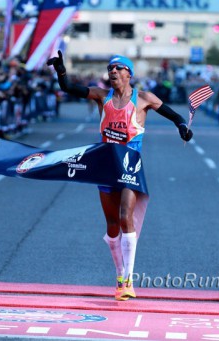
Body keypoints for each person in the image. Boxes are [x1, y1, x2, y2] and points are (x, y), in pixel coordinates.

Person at [47, 51, 193, 301]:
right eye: (109, 68)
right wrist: (60, 70)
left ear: (129, 73)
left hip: (130, 165)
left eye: (118, 68)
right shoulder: (101, 96)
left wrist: (182, 127)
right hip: (106, 164)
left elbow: (175, 116)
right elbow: (69, 87)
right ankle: (118, 275)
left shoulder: (144, 98)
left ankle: (128, 279)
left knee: (126, 216)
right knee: (112, 226)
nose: (112, 71)